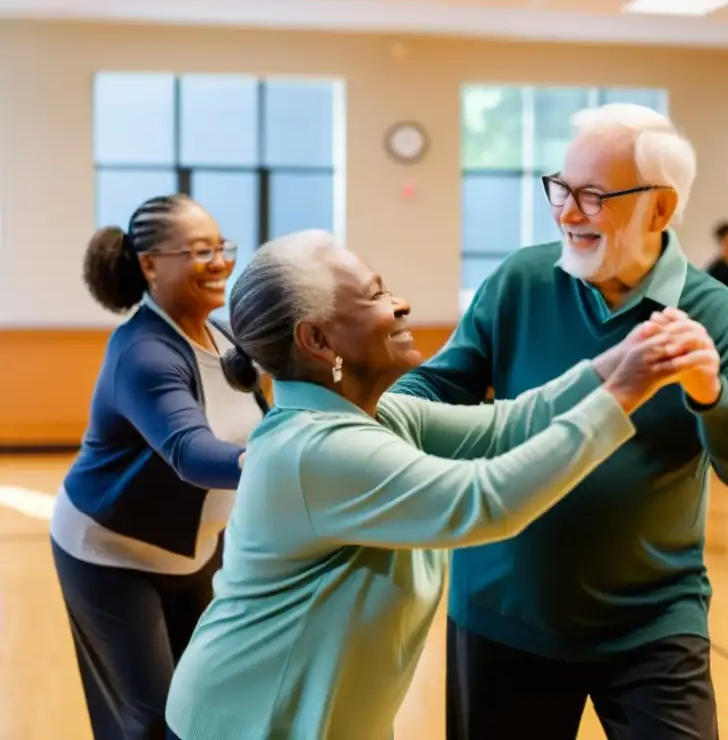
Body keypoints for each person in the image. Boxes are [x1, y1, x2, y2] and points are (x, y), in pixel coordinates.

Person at [164, 230, 698, 740]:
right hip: (251, 723)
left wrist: (616, 362)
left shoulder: (380, 417)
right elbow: (487, 500)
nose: (401, 304)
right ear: (319, 340)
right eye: (376, 295)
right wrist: (622, 395)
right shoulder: (312, 451)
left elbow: (506, 425)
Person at [392, 103, 728, 739]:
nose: (567, 212)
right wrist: (358, 421)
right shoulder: (520, 280)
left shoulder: (717, 314)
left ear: (660, 208)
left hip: (654, 620)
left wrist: (712, 392)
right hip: (502, 611)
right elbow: (432, 390)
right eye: (562, 189)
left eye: (593, 196)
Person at [50, 194, 268, 739]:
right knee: (150, 717)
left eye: (222, 247)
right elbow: (191, 453)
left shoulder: (225, 336)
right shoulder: (144, 353)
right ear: (150, 265)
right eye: (200, 251)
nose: (220, 262)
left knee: (206, 701)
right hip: (110, 552)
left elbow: (271, 412)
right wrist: (289, 460)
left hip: (193, 547)